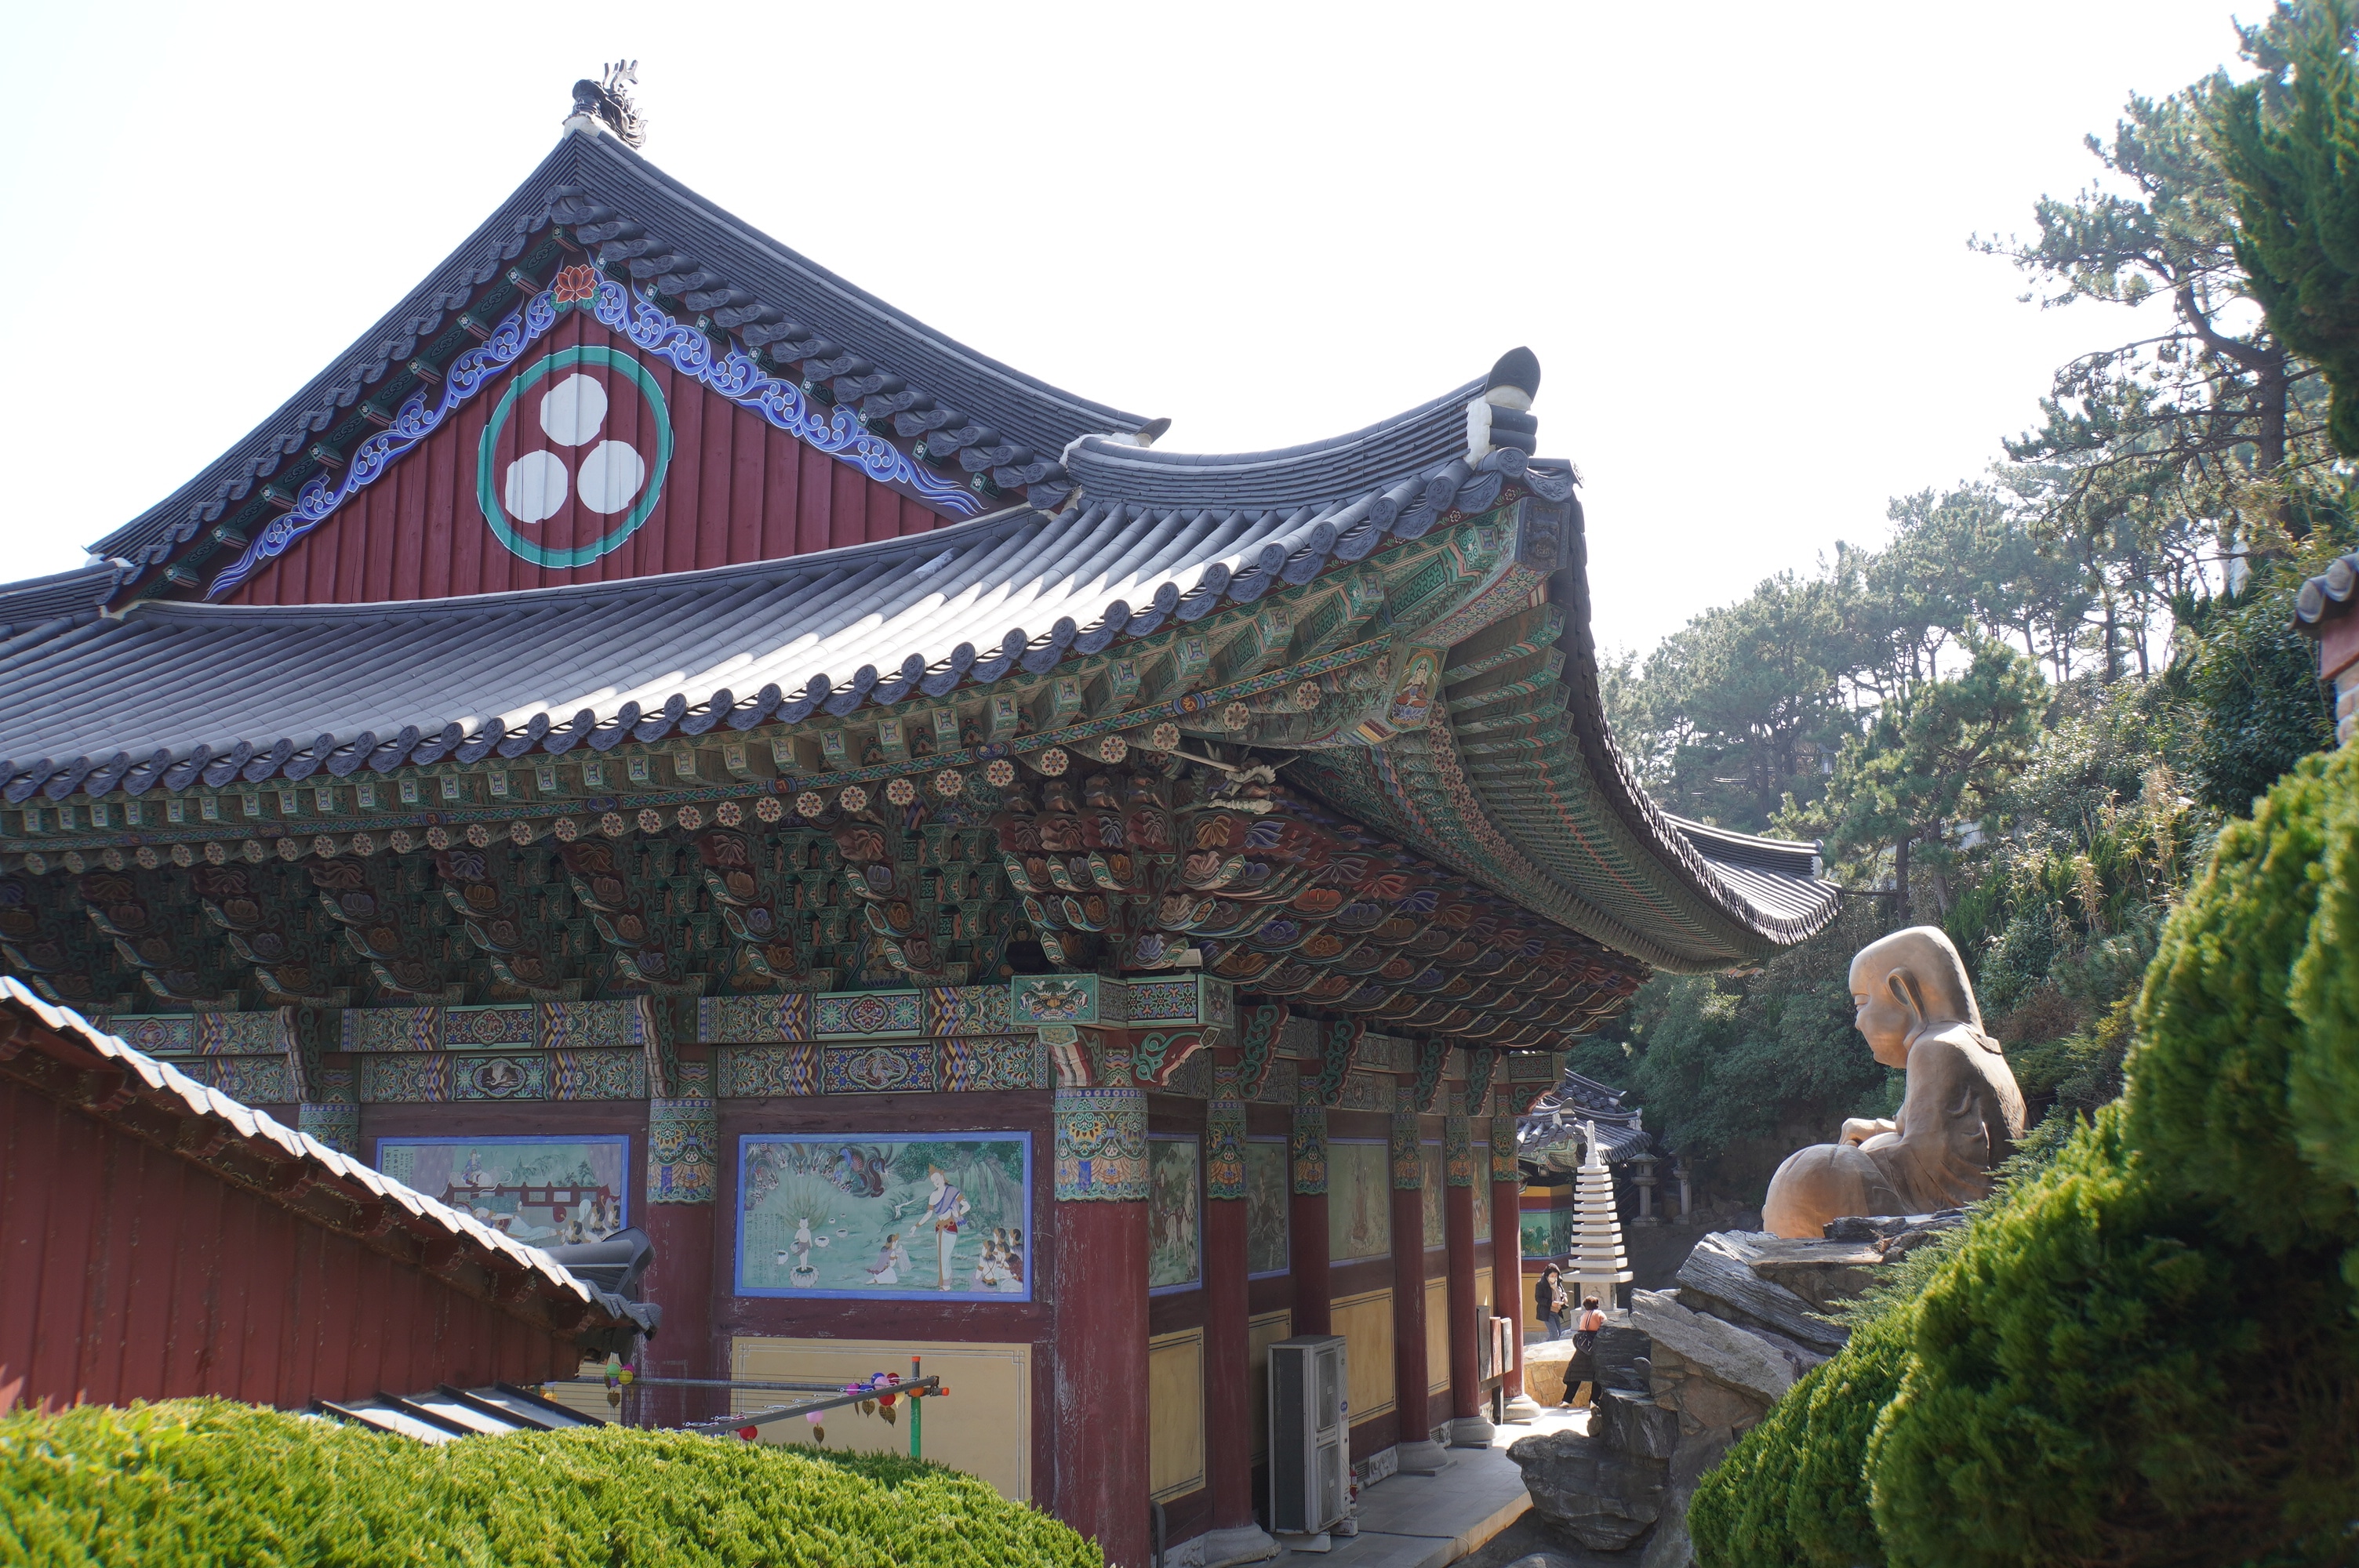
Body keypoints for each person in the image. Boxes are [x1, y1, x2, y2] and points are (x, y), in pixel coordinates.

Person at [1566, 1295, 1607, 1410]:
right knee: (1597, 1375)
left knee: (1576, 1374)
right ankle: (1594, 1401)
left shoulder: (1584, 1315)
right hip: (1594, 1345)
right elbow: (1606, 1327)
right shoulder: (1599, 1314)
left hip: (1582, 1346)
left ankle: (1566, 1400)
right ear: (1597, 1304)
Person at [1535, 1265, 1569, 1341]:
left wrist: (1565, 1297)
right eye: (1552, 1276)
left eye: (1556, 1276)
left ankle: (1546, 1345)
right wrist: (1551, 1303)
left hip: (1557, 1310)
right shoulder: (1541, 1284)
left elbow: (1563, 1291)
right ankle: (1548, 1346)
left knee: (1558, 1333)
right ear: (1547, 1275)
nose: (1554, 1278)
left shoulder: (1558, 1281)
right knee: (1554, 1334)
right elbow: (1538, 1298)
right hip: (1547, 1312)